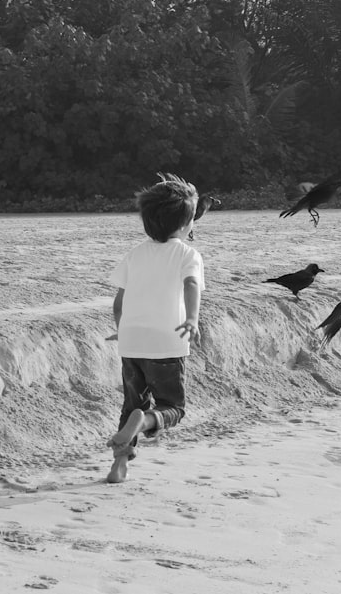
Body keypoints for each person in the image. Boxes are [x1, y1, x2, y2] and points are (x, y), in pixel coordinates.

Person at [105, 174, 203, 483]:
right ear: (186, 225)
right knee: (173, 408)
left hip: (132, 342)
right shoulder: (188, 254)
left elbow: (119, 302)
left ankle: (119, 465)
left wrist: (123, 329)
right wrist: (192, 319)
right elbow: (191, 284)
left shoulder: (135, 253)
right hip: (167, 343)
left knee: (130, 403)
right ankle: (145, 421)